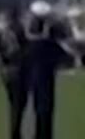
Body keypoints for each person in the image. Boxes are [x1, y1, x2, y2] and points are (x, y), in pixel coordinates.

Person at [24, 11, 74, 139]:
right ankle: (45, 134)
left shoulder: (32, 45)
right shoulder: (50, 45)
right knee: (46, 109)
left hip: (33, 78)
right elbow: (66, 55)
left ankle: (38, 133)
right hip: (46, 78)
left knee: (37, 108)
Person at [0, 9, 29, 139]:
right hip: (18, 70)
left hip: (6, 71)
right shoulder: (19, 29)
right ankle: (15, 134)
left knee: (13, 104)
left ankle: (16, 132)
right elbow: (25, 49)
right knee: (19, 105)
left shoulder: (1, 32)